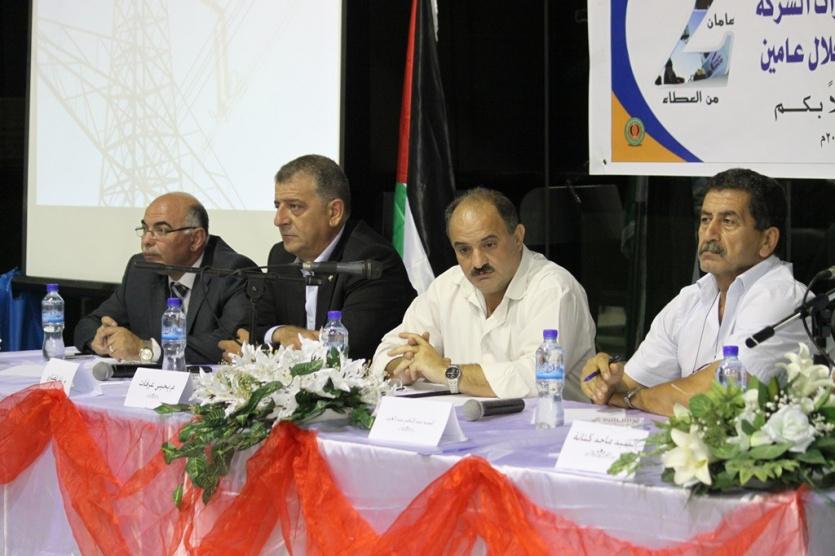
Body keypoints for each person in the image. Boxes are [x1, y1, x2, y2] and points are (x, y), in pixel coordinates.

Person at [581, 168, 810, 416]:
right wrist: (607, 379)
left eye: (728, 222)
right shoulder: (691, 298)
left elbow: (718, 395)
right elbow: (632, 381)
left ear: (767, 241)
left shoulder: (782, 298)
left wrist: (629, 398)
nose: (710, 233)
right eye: (705, 219)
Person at [371, 187, 596, 400]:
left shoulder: (554, 288)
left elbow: (536, 378)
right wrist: (407, 366)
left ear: (518, 237)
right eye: (464, 250)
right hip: (467, 422)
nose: (478, 262)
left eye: (489, 245)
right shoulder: (448, 286)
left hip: (549, 425)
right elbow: (385, 354)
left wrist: (445, 371)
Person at [218, 154, 415, 361]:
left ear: (334, 212)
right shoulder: (281, 256)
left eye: (294, 206)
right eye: (278, 206)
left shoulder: (371, 260)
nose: (279, 220)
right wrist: (282, 333)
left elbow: (347, 349)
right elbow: (248, 328)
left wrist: (265, 352)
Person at [74, 192, 256, 364]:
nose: (146, 240)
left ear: (196, 239)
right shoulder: (140, 270)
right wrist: (98, 339)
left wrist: (146, 350)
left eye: (161, 230)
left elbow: (232, 344)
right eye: (145, 229)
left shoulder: (232, 272)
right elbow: (89, 324)